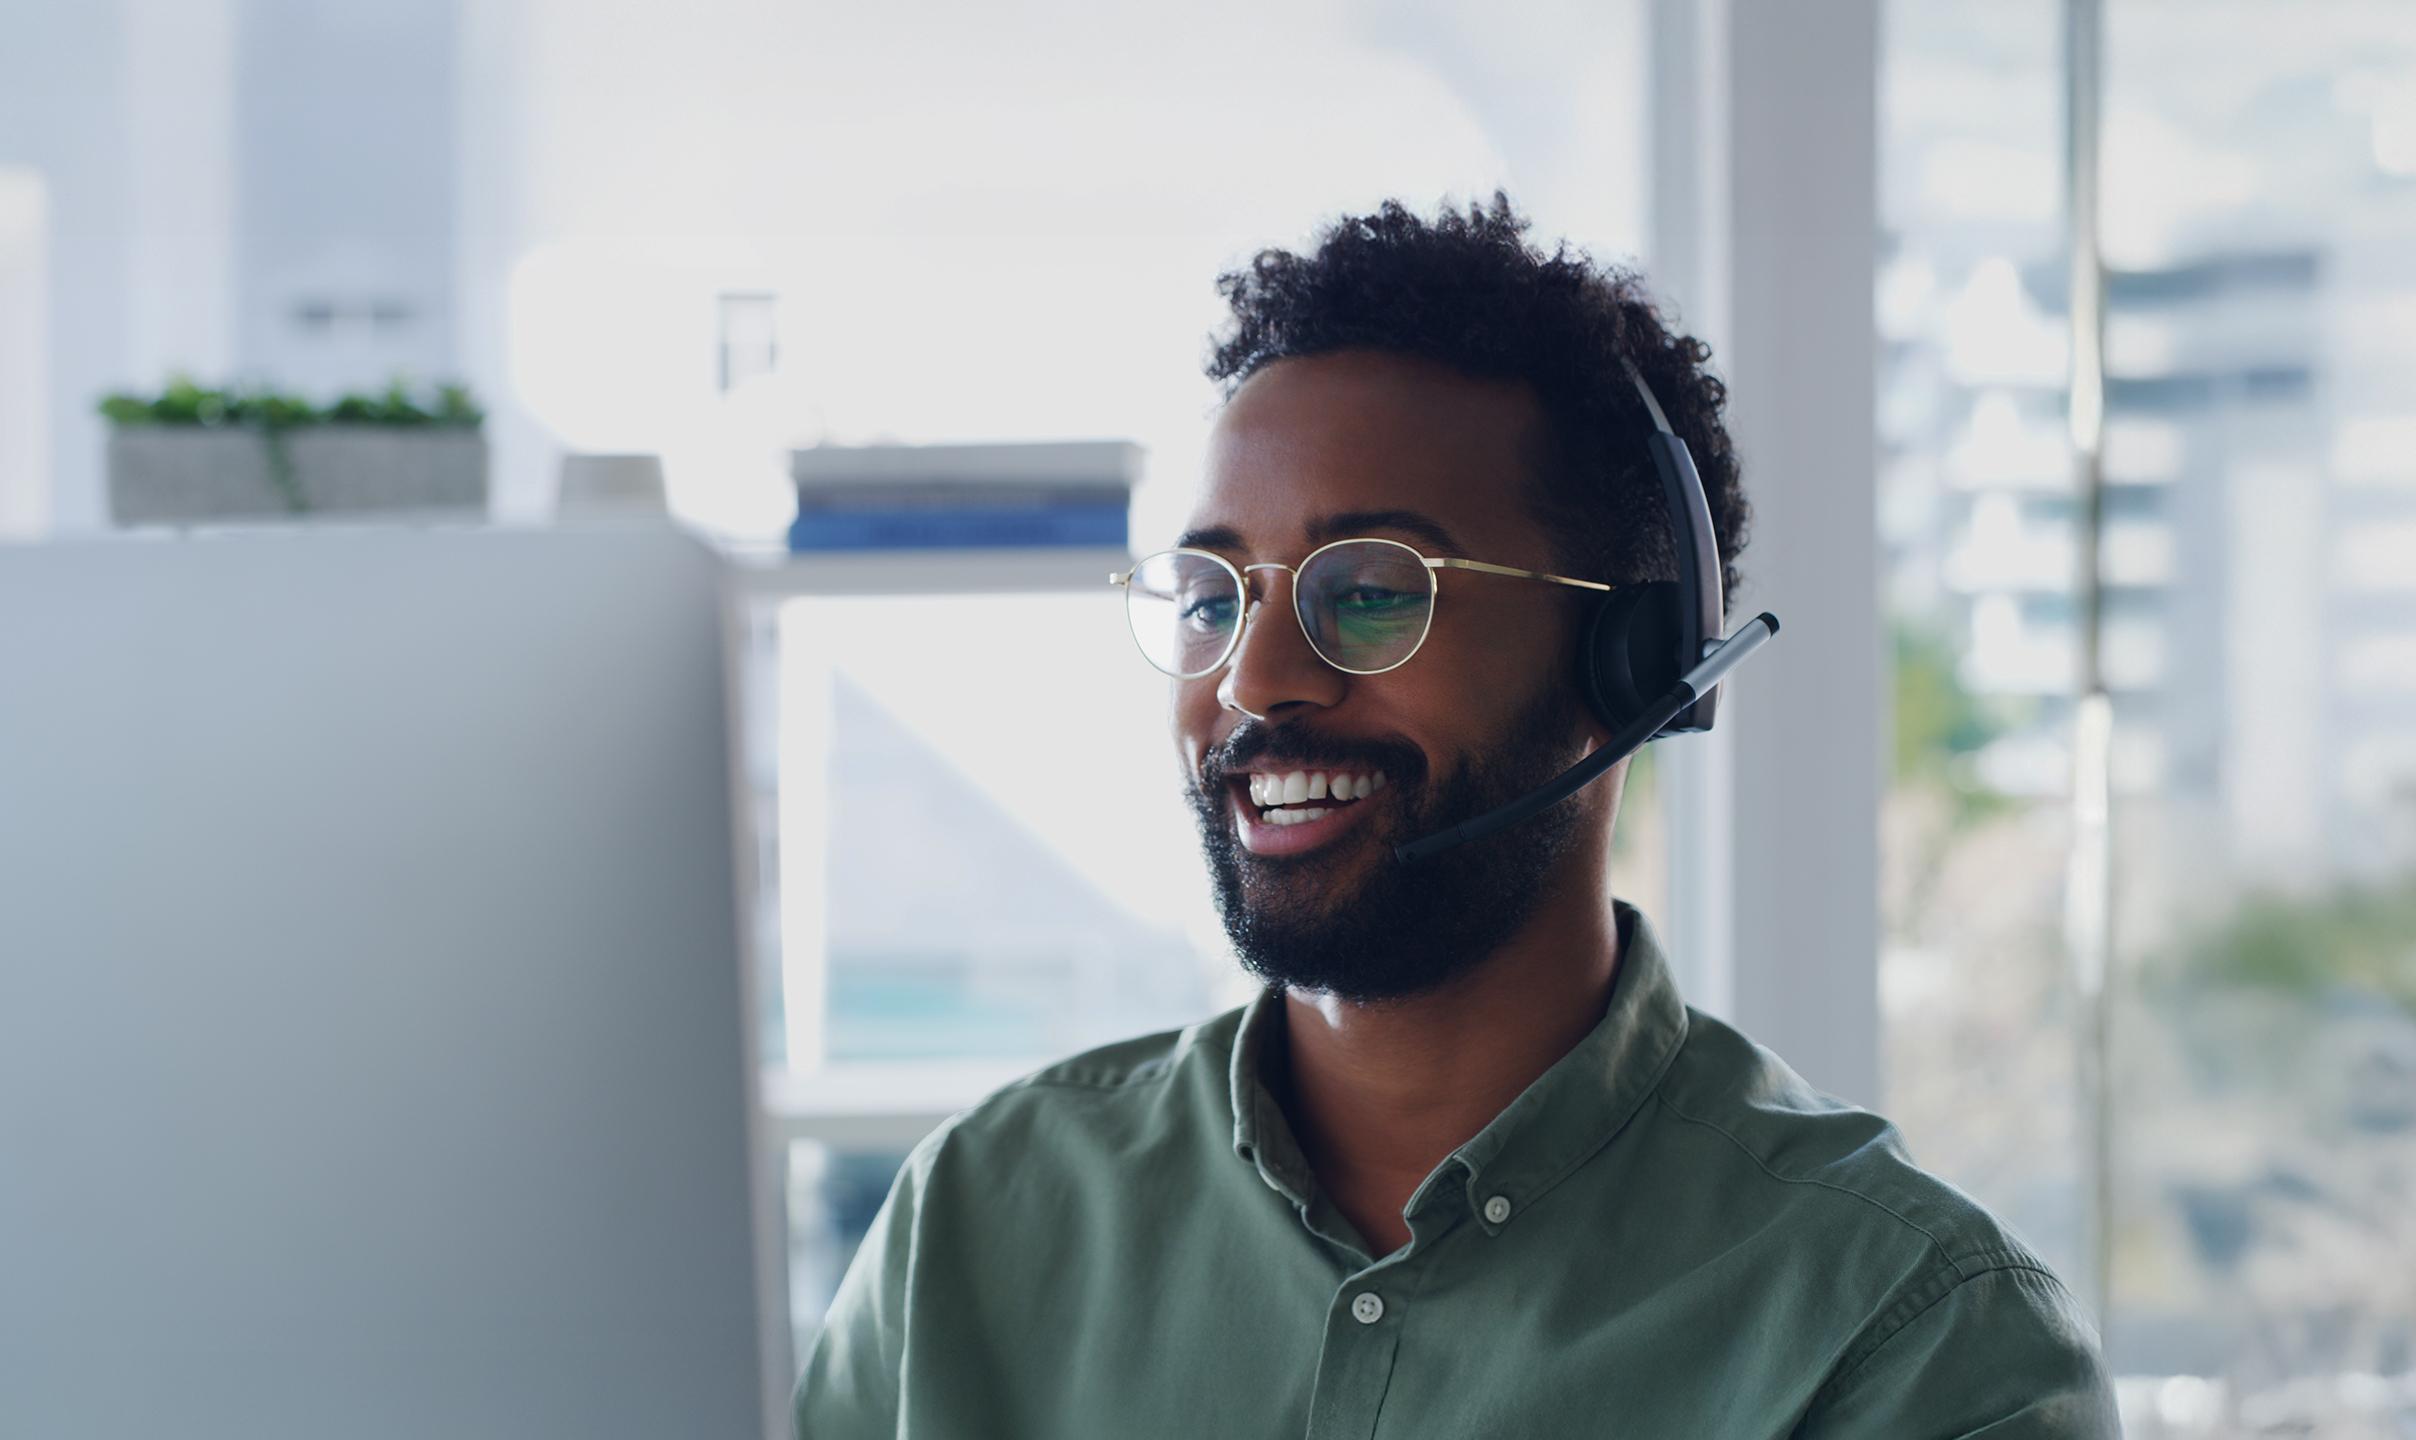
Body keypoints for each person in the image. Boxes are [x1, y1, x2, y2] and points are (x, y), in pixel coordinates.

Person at [795, 194, 2121, 1438]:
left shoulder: (1905, 1337)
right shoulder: (978, 1223)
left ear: (1630, 664)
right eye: (1214, 597)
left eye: (1370, 591)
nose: (1252, 681)